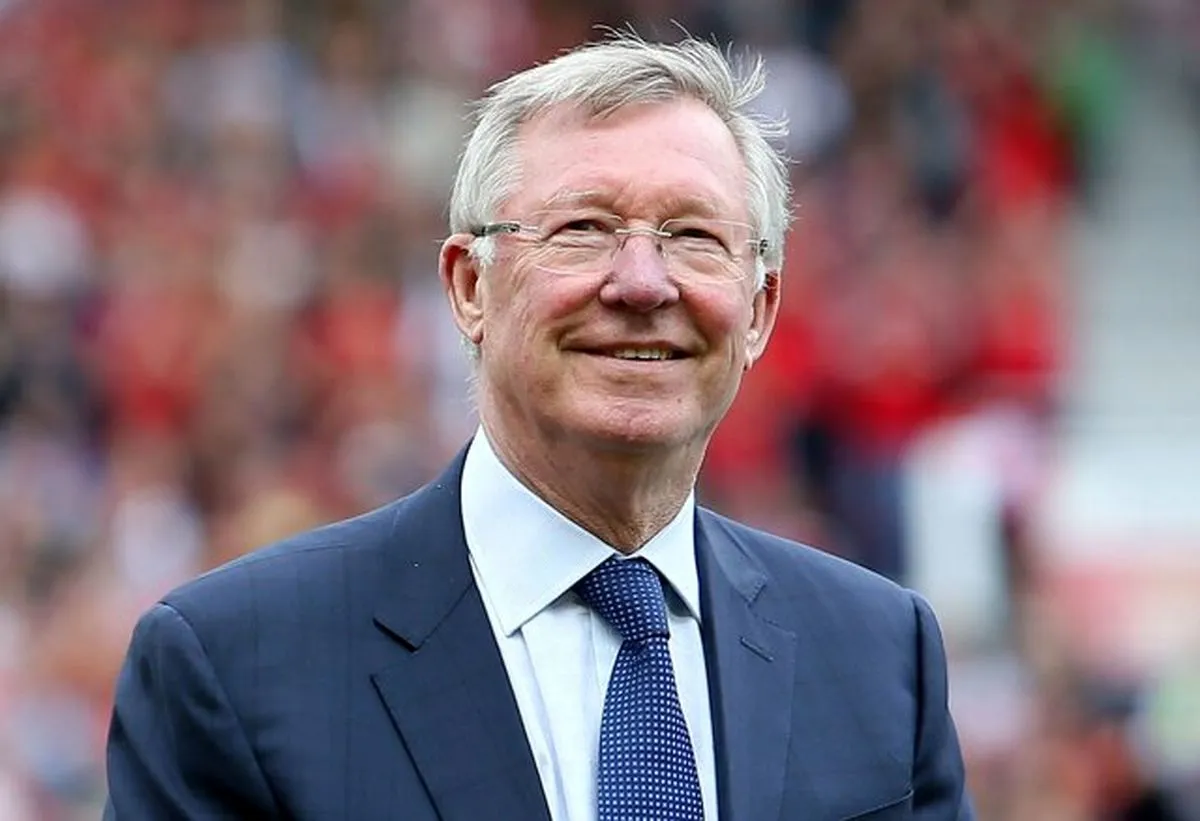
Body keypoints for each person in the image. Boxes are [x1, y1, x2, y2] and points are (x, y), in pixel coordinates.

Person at [103, 34, 975, 820]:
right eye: (584, 228)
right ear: (469, 287)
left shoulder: (879, 657)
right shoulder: (237, 666)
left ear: (759, 309)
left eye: (693, 235)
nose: (643, 282)